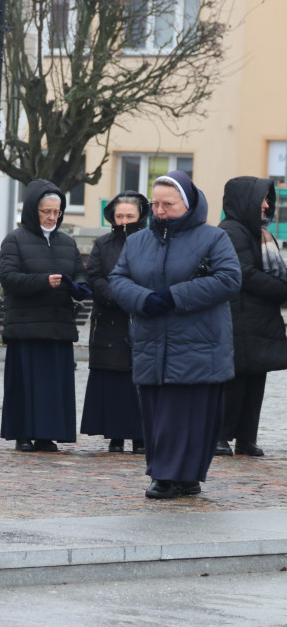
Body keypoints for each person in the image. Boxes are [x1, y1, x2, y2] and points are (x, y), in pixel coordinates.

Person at [109, 170, 240, 499]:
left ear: (189, 203)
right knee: (158, 413)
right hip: (152, 341)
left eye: (168, 204)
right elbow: (118, 279)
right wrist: (143, 299)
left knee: (192, 413)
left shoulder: (213, 238)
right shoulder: (138, 240)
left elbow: (228, 279)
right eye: (155, 204)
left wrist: (174, 296)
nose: (160, 210)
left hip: (199, 342)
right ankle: (163, 473)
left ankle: (185, 475)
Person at [0, 179, 90, 453]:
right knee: (26, 385)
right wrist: (43, 281)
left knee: (53, 385)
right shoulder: (14, 239)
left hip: (58, 324)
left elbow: (79, 272)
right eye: (46, 212)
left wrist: (81, 286)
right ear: (32, 210)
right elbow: (9, 278)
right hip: (26, 325)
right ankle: (23, 433)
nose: (52, 217)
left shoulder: (66, 242)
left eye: (56, 212)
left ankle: (48, 434)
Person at [215, 177, 287, 457]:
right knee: (234, 381)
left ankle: (246, 437)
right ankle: (220, 436)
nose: (266, 205)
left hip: (257, 319)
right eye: (262, 200)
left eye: (268, 200)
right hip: (239, 318)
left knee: (255, 380)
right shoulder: (232, 231)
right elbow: (244, 274)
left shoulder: (258, 231)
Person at [80, 191, 149, 454]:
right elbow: (95, 276)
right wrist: (116, 296)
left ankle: (141, 435)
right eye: (119, 216)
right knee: (113, 381)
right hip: (109, 319)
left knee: (139, 380)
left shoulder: (152, 242)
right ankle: (115, 434)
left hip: (142, 317)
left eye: (129, 216)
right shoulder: (103, 244)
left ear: (140, 215)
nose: (124, 221)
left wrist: (138, 298)